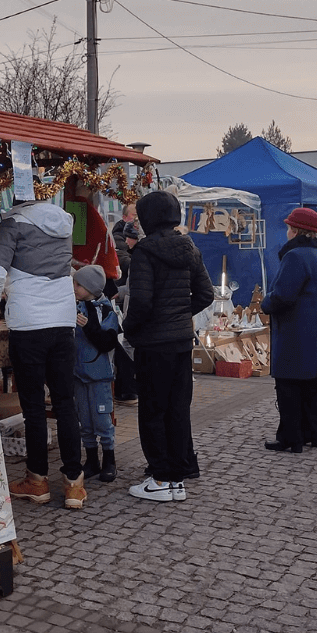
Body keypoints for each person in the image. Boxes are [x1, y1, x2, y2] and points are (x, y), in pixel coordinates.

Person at [0, 200, 86, 509]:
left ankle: (37, 480)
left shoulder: (11, 225)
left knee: (34, 408)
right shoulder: (62, 223)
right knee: (66, 403)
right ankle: (74, 484)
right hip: (63, 319)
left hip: (28, 323)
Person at [122, 191, 214, 503]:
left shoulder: (145, 252)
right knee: (177, 409)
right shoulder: (189, 248)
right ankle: (177, 474)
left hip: (153, 343)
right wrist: (178, 315)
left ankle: (160, 478)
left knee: (152, 411)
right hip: (180, 341)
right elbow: (206, 293)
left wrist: (130, 327)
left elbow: (142, 301)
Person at [259, 208, 317, 453]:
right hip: (315, 333)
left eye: (289, 227)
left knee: (288, 387)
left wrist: (266, 303)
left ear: (295, 230)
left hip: (297, 333)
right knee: (310, 387)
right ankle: (313, 435)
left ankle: (291, 439)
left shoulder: (295, 256)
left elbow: (283, 296)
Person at [70, 264, 119, 482]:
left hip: (99, 376)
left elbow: (107, 342)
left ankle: (109, 459)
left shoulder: (105, 310)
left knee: (102, 420)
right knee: (85, 421)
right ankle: (91, 460)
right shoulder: (75, 307)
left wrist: (88, 326)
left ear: (90, 287)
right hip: (79, 374)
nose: (74, 287)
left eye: (78, 284)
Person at [111, 209, 140, 406]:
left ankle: (130, 390)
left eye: (130, 238)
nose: (127, 241)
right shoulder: (136, 255)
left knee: (129, 348)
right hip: (133, 307)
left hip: (135, 312)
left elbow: (136, 290)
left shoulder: (139, 258)